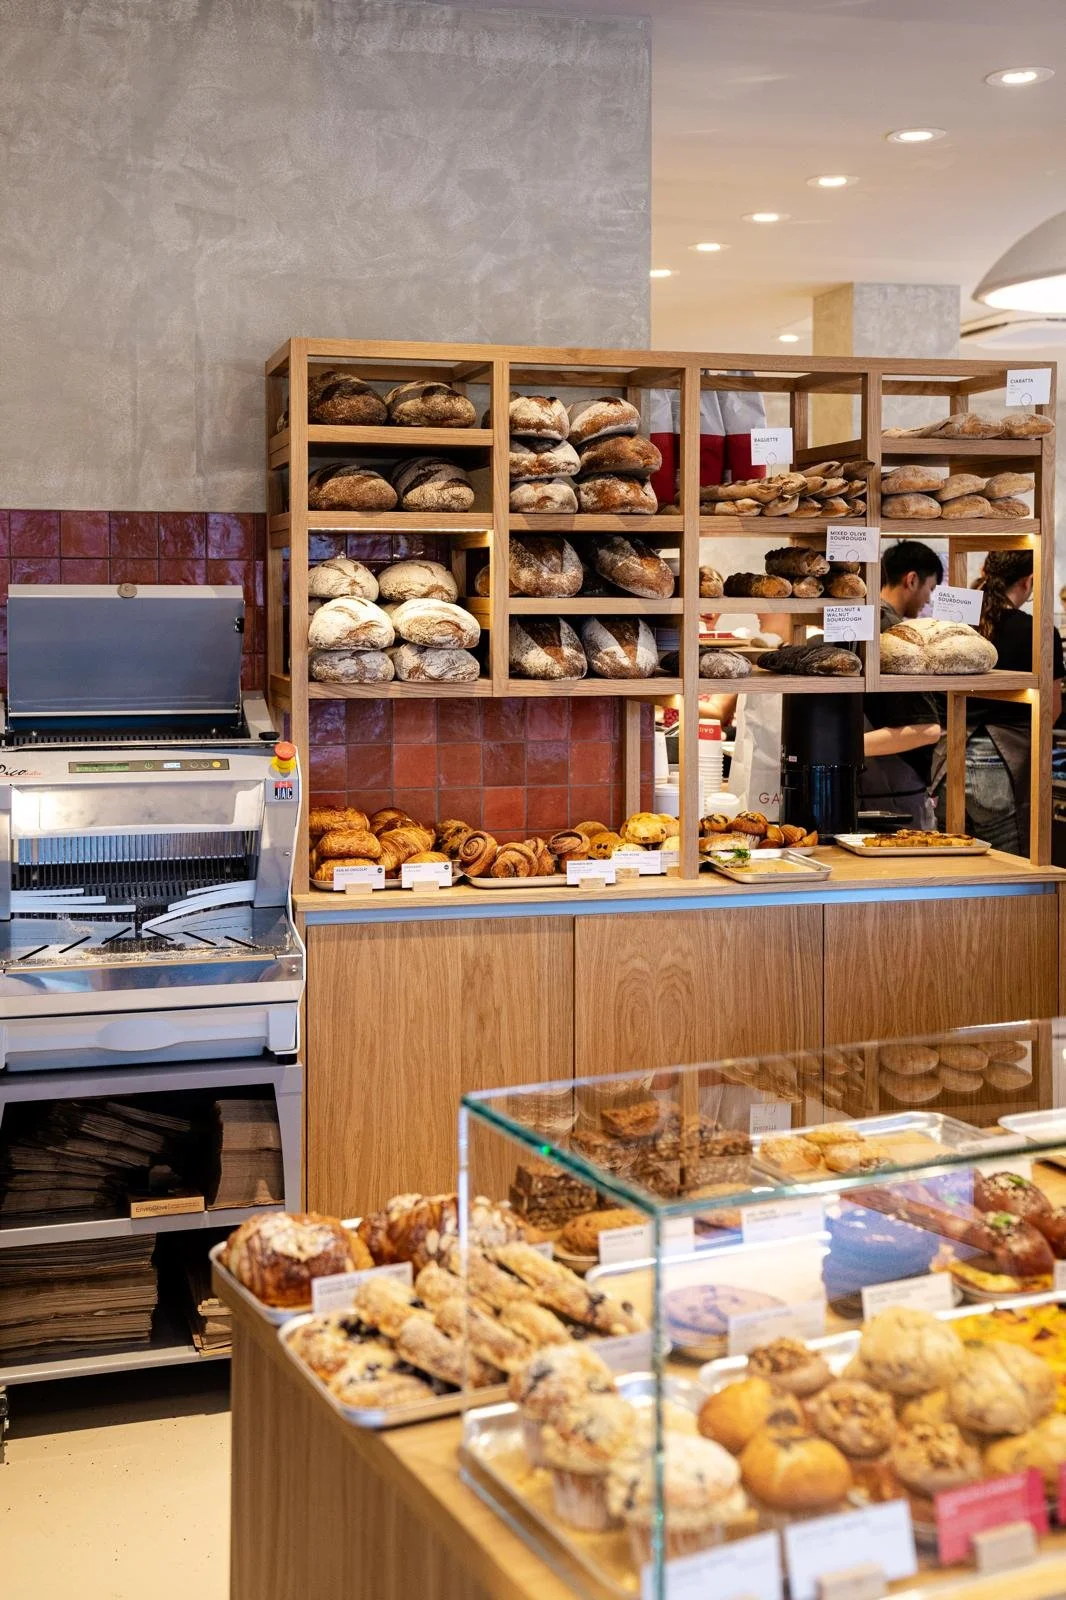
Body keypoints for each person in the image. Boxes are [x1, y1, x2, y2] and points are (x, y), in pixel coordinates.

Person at [934, 550, 1064, 854]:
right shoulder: (1040, 632)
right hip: (1002, 765)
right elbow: (1052, 708)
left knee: (949, 862)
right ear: (1028, 581)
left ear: (983, 569)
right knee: (1006, 869)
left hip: (945, 760)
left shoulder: (956, 625)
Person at [860, 541, 945, 828]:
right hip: (895, 804)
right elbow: (926, 729)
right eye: (929, 589)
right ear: (912, 579)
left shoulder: (862, 622)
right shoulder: (896, 636)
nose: (927, 600)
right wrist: (840, 749)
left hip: (864, 793)